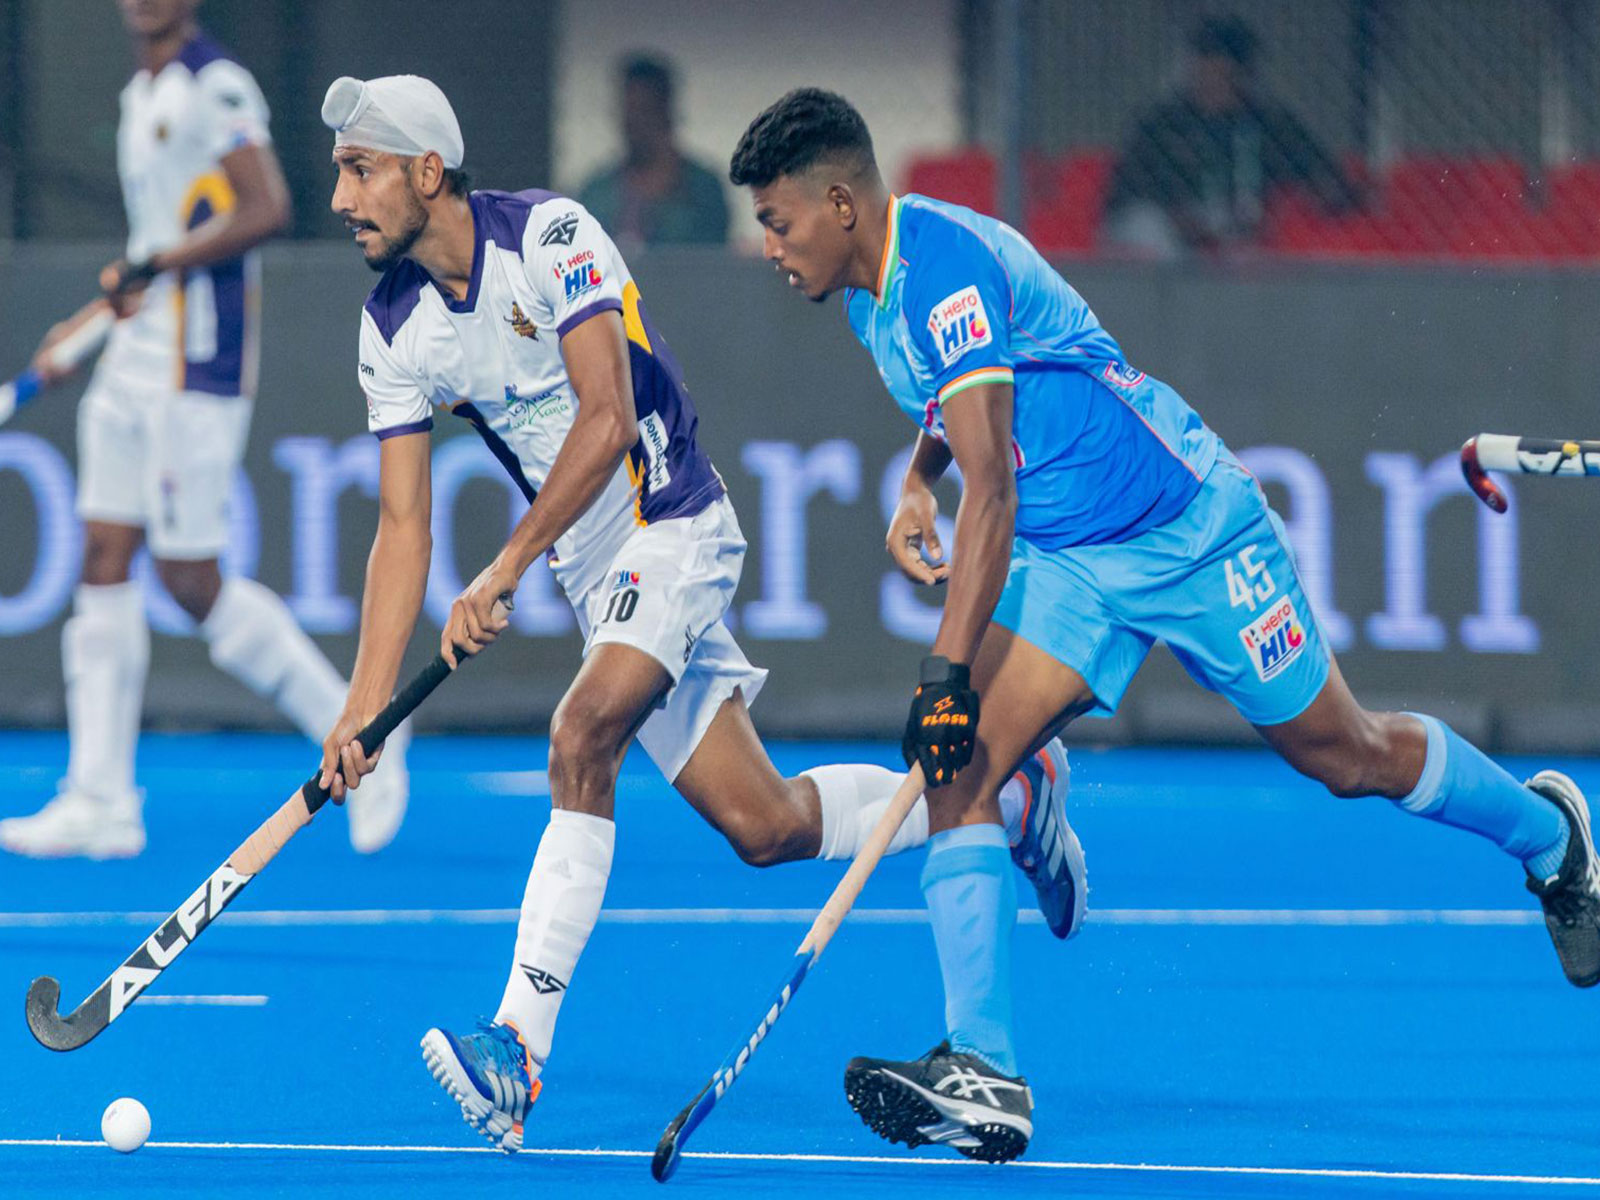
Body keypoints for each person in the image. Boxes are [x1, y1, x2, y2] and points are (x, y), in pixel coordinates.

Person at [729, 87, 1600, 1163]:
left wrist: (944, 670)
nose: (767, 245)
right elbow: (958, 426)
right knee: (959, 765)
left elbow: (992, 487)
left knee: (1346, 754)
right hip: (1075, 563)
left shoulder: (941, 269)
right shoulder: (871, 298)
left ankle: (1551, 837)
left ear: (839, 202)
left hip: (1191, 534)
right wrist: (917, 482)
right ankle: (983, 1067)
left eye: (777, 222)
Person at [318, 73, 1087, 1154]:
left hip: (669, 524)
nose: (343, 195)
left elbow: (605, 417)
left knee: (581, 736)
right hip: (598, 581)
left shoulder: (551, 236)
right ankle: (1003, 798)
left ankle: (516, 1051)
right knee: (762, 827)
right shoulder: (390, 326)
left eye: (361, 169)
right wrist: (361, 711)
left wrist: (502, 570)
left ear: (427, 171)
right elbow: (400, 528)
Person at [0, 0, 409, 860]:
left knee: (190, 581)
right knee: (103, 555)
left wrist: (152, 268)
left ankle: (368, 731)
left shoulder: (214, 85)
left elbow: (266, 207)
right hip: (133, 358)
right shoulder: (137, 95)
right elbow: (154, 248)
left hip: (199, 366)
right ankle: (101, 800)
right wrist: (87, 324)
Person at [1103, 15, 1359, 259]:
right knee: (1148, 229)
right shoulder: (1164, 123)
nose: (1210, 85)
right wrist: (1178, 216)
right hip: (1168, 227)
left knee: (1248, 243)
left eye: (1221, 77)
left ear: (1242, 77)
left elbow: (1323, 174)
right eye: (1202, 75)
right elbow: (1126, 191)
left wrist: (1307, 196)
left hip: (1240, 224)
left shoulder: (1269, 124)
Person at [576, 54, 729, 249]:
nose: (634, 125)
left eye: (644, 111)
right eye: (628, 112)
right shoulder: (596, 193)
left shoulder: (703, 190)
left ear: (666, 112)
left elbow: (711, 264)